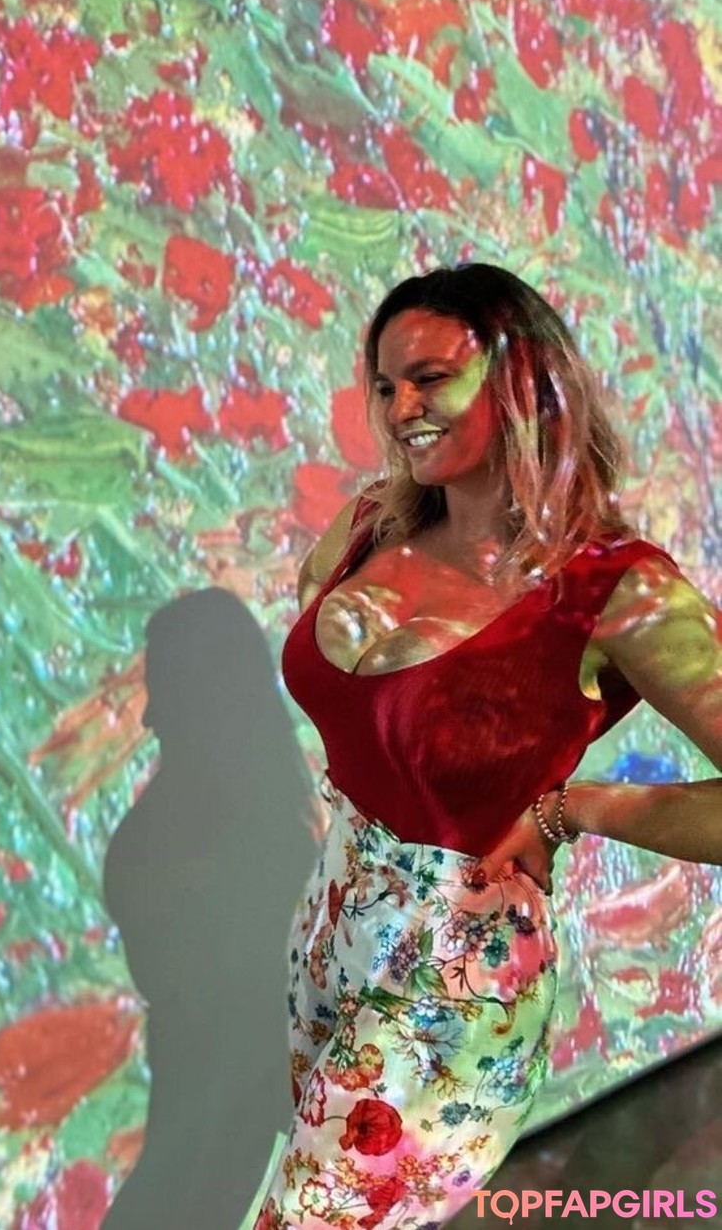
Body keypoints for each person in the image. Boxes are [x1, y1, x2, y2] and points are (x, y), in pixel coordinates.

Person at [249, 263, 721, 1230]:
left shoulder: (614, 589)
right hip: (333, 924)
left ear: (521, 382)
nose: (401, 409)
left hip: (456, 975)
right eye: (387, 384)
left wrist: (577, 808)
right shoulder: (370, 525)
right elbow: (335, 675)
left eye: (431, 378)